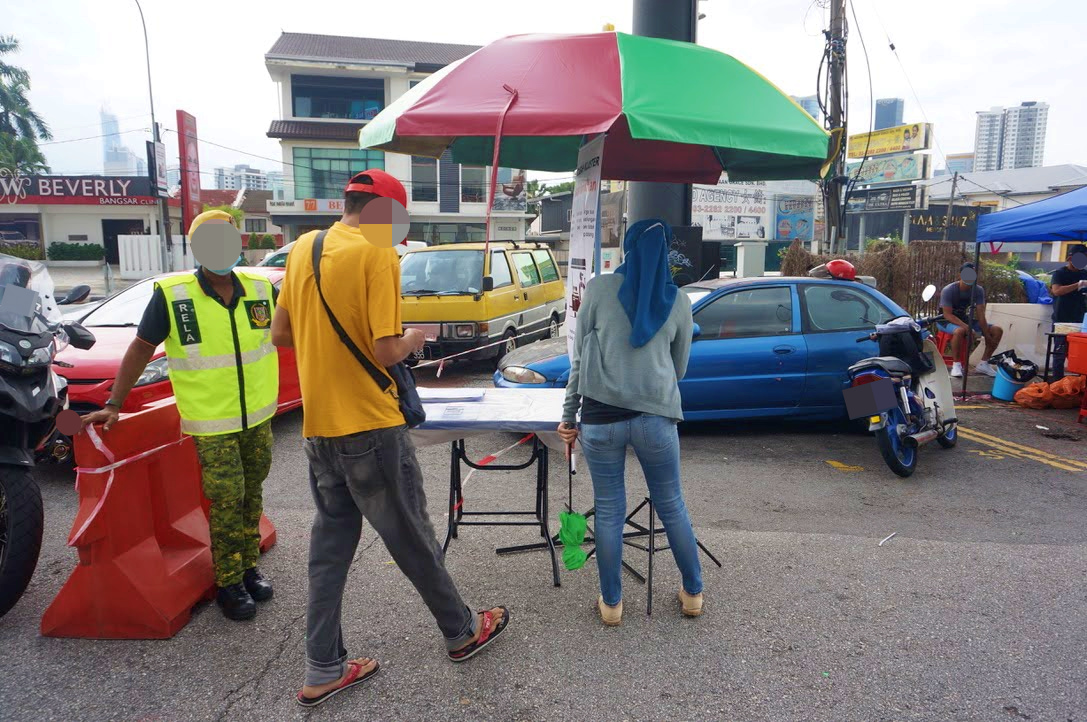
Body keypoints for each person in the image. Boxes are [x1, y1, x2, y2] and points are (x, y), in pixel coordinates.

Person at [271, 169, 509, 708]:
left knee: (329, 551)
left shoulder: (303, 247)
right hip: (370, 426)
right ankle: (463, 630)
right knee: (411, 534)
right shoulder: (376, 252)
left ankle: (322, 666)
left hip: (319, 430)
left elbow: (281, 334)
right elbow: (383, 350)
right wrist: (416, 337)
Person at [83, 209, 279, 621]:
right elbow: (140, 348)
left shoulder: (262, 287)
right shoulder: (174, 295)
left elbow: (291, 334)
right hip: (212, 422)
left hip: (258, 416)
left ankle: (247, 567)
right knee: (228, 497)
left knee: (253, 492)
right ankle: (228, 582)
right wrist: (115, 404)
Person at [557, 219, 703, 627]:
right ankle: (692, 593)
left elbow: (579, 359)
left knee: (608, 511)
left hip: (600, 420)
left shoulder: (601, 289)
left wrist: (568, 416)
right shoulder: (678, 301)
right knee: (672, 504)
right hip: (656, 417)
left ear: (630, 248)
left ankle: (612, 604)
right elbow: (679, 369)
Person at [938, 263, 1003, 378]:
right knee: (959, 331)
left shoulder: (978, 290)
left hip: (963, 319)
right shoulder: (949, 290)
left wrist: (987, 336)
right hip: (945, 321)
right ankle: (956, 365)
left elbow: (981, 315)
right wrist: (966, 327)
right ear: (960, 275)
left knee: (997, 330)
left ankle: (983, 364)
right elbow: (947, 315)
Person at [1046, 244, 1087, 377]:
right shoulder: (1060, 273)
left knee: (1080, 352)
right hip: (1061, 320)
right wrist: (1078, 285)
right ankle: (1057, 383)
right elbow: (1056, 291)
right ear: (1070, 258)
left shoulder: (1085, 273)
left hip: (1081, 320)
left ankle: (1080, 383)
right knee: (1060, 353)